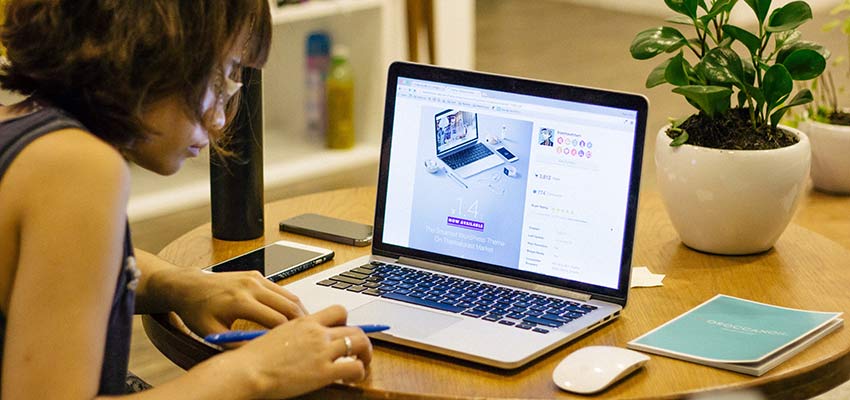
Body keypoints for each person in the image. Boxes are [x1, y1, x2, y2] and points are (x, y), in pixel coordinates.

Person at [0, 1, 372, 398]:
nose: (220, 119)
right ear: (155, 48)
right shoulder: (79, 168)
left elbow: (54, 267)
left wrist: (178, 284)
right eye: (222, 78)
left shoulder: (19, 127)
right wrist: (255, 371)